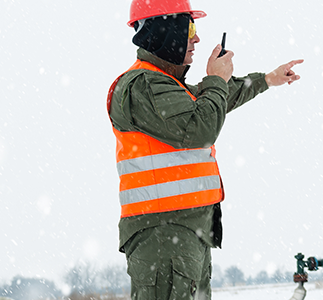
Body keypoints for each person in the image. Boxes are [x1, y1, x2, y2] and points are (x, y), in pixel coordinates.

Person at [106, 0, 303, 299]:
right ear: (165, 29)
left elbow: (214, 101)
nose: (196, 38)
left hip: (183, 234)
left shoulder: (167, 86)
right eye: (190, 28)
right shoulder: (143, 85)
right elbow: (199, 127)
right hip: (164, 236)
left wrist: (266, 80)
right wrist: (215, 79)